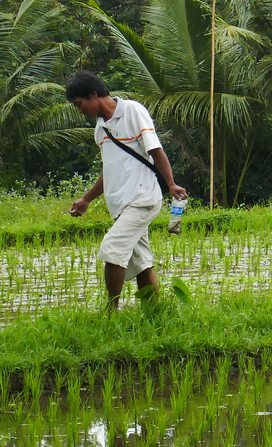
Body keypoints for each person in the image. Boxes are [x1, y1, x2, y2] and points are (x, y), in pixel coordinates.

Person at [65, 71, 187, 309]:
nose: (80, 111)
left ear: (94, 95)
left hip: (142, 199)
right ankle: (154, 316)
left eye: (80, 105)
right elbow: (108, 169)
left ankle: (111, 313)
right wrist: (86, 199)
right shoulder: (100, 130)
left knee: (111, 251)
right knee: (141, 263)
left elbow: (155, 150)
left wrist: (171, 183)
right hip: (121, 205)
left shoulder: (132, 110)